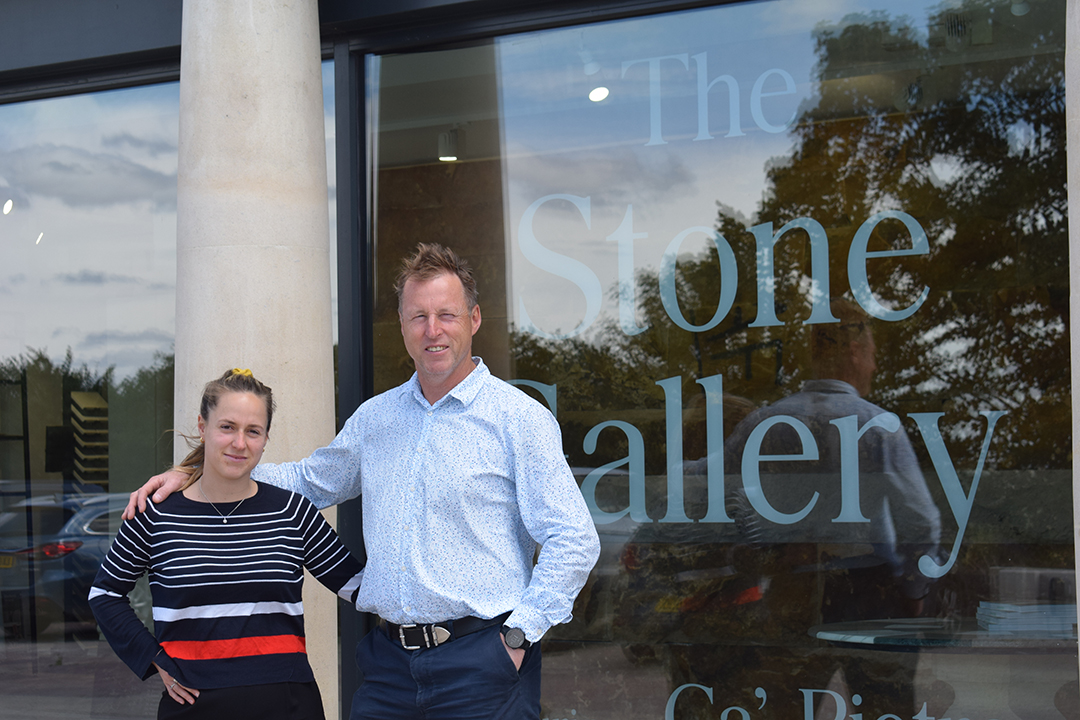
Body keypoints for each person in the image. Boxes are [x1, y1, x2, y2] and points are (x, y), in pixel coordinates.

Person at [125, 243, 601, 720]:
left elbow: (573, 539)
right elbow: (309, 481)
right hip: (388, 670)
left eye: (446, 315)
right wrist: (198, 471)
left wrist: (517, 638)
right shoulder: (376, 419)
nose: (432, 330)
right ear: (402, 326)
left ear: (474, 319)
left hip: (482, 663)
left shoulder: (518, 418)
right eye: (418, 317)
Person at [90, 368, 364, 720]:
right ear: (203, 428)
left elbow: (357, 586)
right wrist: (152, 658)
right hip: (191, 706)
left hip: (288, 705)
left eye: (253, 431)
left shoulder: (293, 512)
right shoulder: (154, 514)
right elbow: (105, 595)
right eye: (227, 427)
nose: (240, 443)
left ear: (265, 439)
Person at [719, 298, 943, 720]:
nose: (874, 367)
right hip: (871, 593)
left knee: (785, 708)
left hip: (791, 588)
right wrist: (914, 590)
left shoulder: (764, 423)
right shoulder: (878, 426)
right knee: (886, 709)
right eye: (873, 355)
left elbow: (705, 484)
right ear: (855, 352)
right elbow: (921, 521)